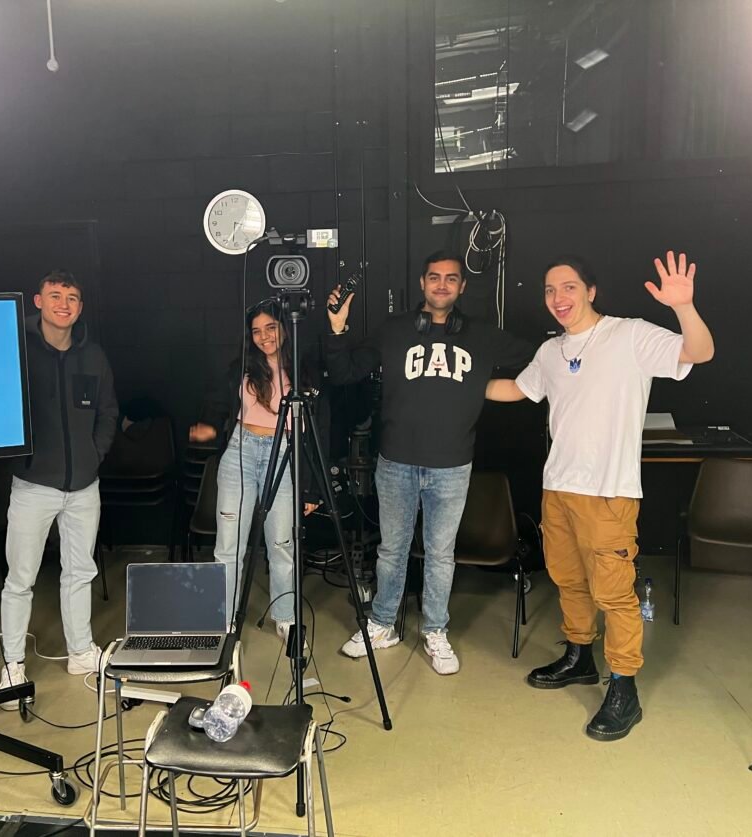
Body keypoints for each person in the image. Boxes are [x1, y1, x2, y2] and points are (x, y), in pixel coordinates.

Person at [486, 251, 714, 740]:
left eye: (568, 287)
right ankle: (579, 657)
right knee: (568, 580)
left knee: (613, 593)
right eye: (550, 290)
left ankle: (624, 688)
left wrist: (683, 307)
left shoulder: (629, 335)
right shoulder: (550, 352)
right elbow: (517, 390)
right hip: (558, 488)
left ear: (591, 291)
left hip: (609, 492)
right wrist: (454, 384)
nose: (558, 298)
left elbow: (699, 353)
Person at [325, 251, 532, 674]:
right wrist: (337, 327)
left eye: (451, 278)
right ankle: (383, 624)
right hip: (396, 463)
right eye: (434, 277)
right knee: (391, 551)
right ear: (422, 283)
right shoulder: (393, 330)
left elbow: (541, 359)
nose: (442, 284)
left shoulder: (482, 335)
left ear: (462, 286)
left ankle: (435, 630)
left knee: (441, 555)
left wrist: (485, 387)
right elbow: (345, 371)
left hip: (452, 466)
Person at [0, 270, 118, 706]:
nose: (63, 304)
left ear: (80, 307)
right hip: (33, 484)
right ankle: (12, 666)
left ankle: (81, 653)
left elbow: (108, 412)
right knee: (20, 579)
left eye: (71, 297)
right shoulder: (18, 351)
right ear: (38, 301)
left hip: (84, 486)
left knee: (80, 571)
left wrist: (93, 455)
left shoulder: (93, 356)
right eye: (55, 295)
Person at [189, 299, 321, 646]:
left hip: (285, 454)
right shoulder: (242, 368)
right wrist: (209, 427)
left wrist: (311, 488)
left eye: (270, 328)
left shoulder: (304, 369)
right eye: (256, 331)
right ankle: (224, 620)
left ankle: (286, 617)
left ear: (285, 328)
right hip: (241, 452)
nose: (264, 337)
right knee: (228, 546)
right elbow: (219, 403)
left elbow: (317, 428)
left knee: (282, 544)